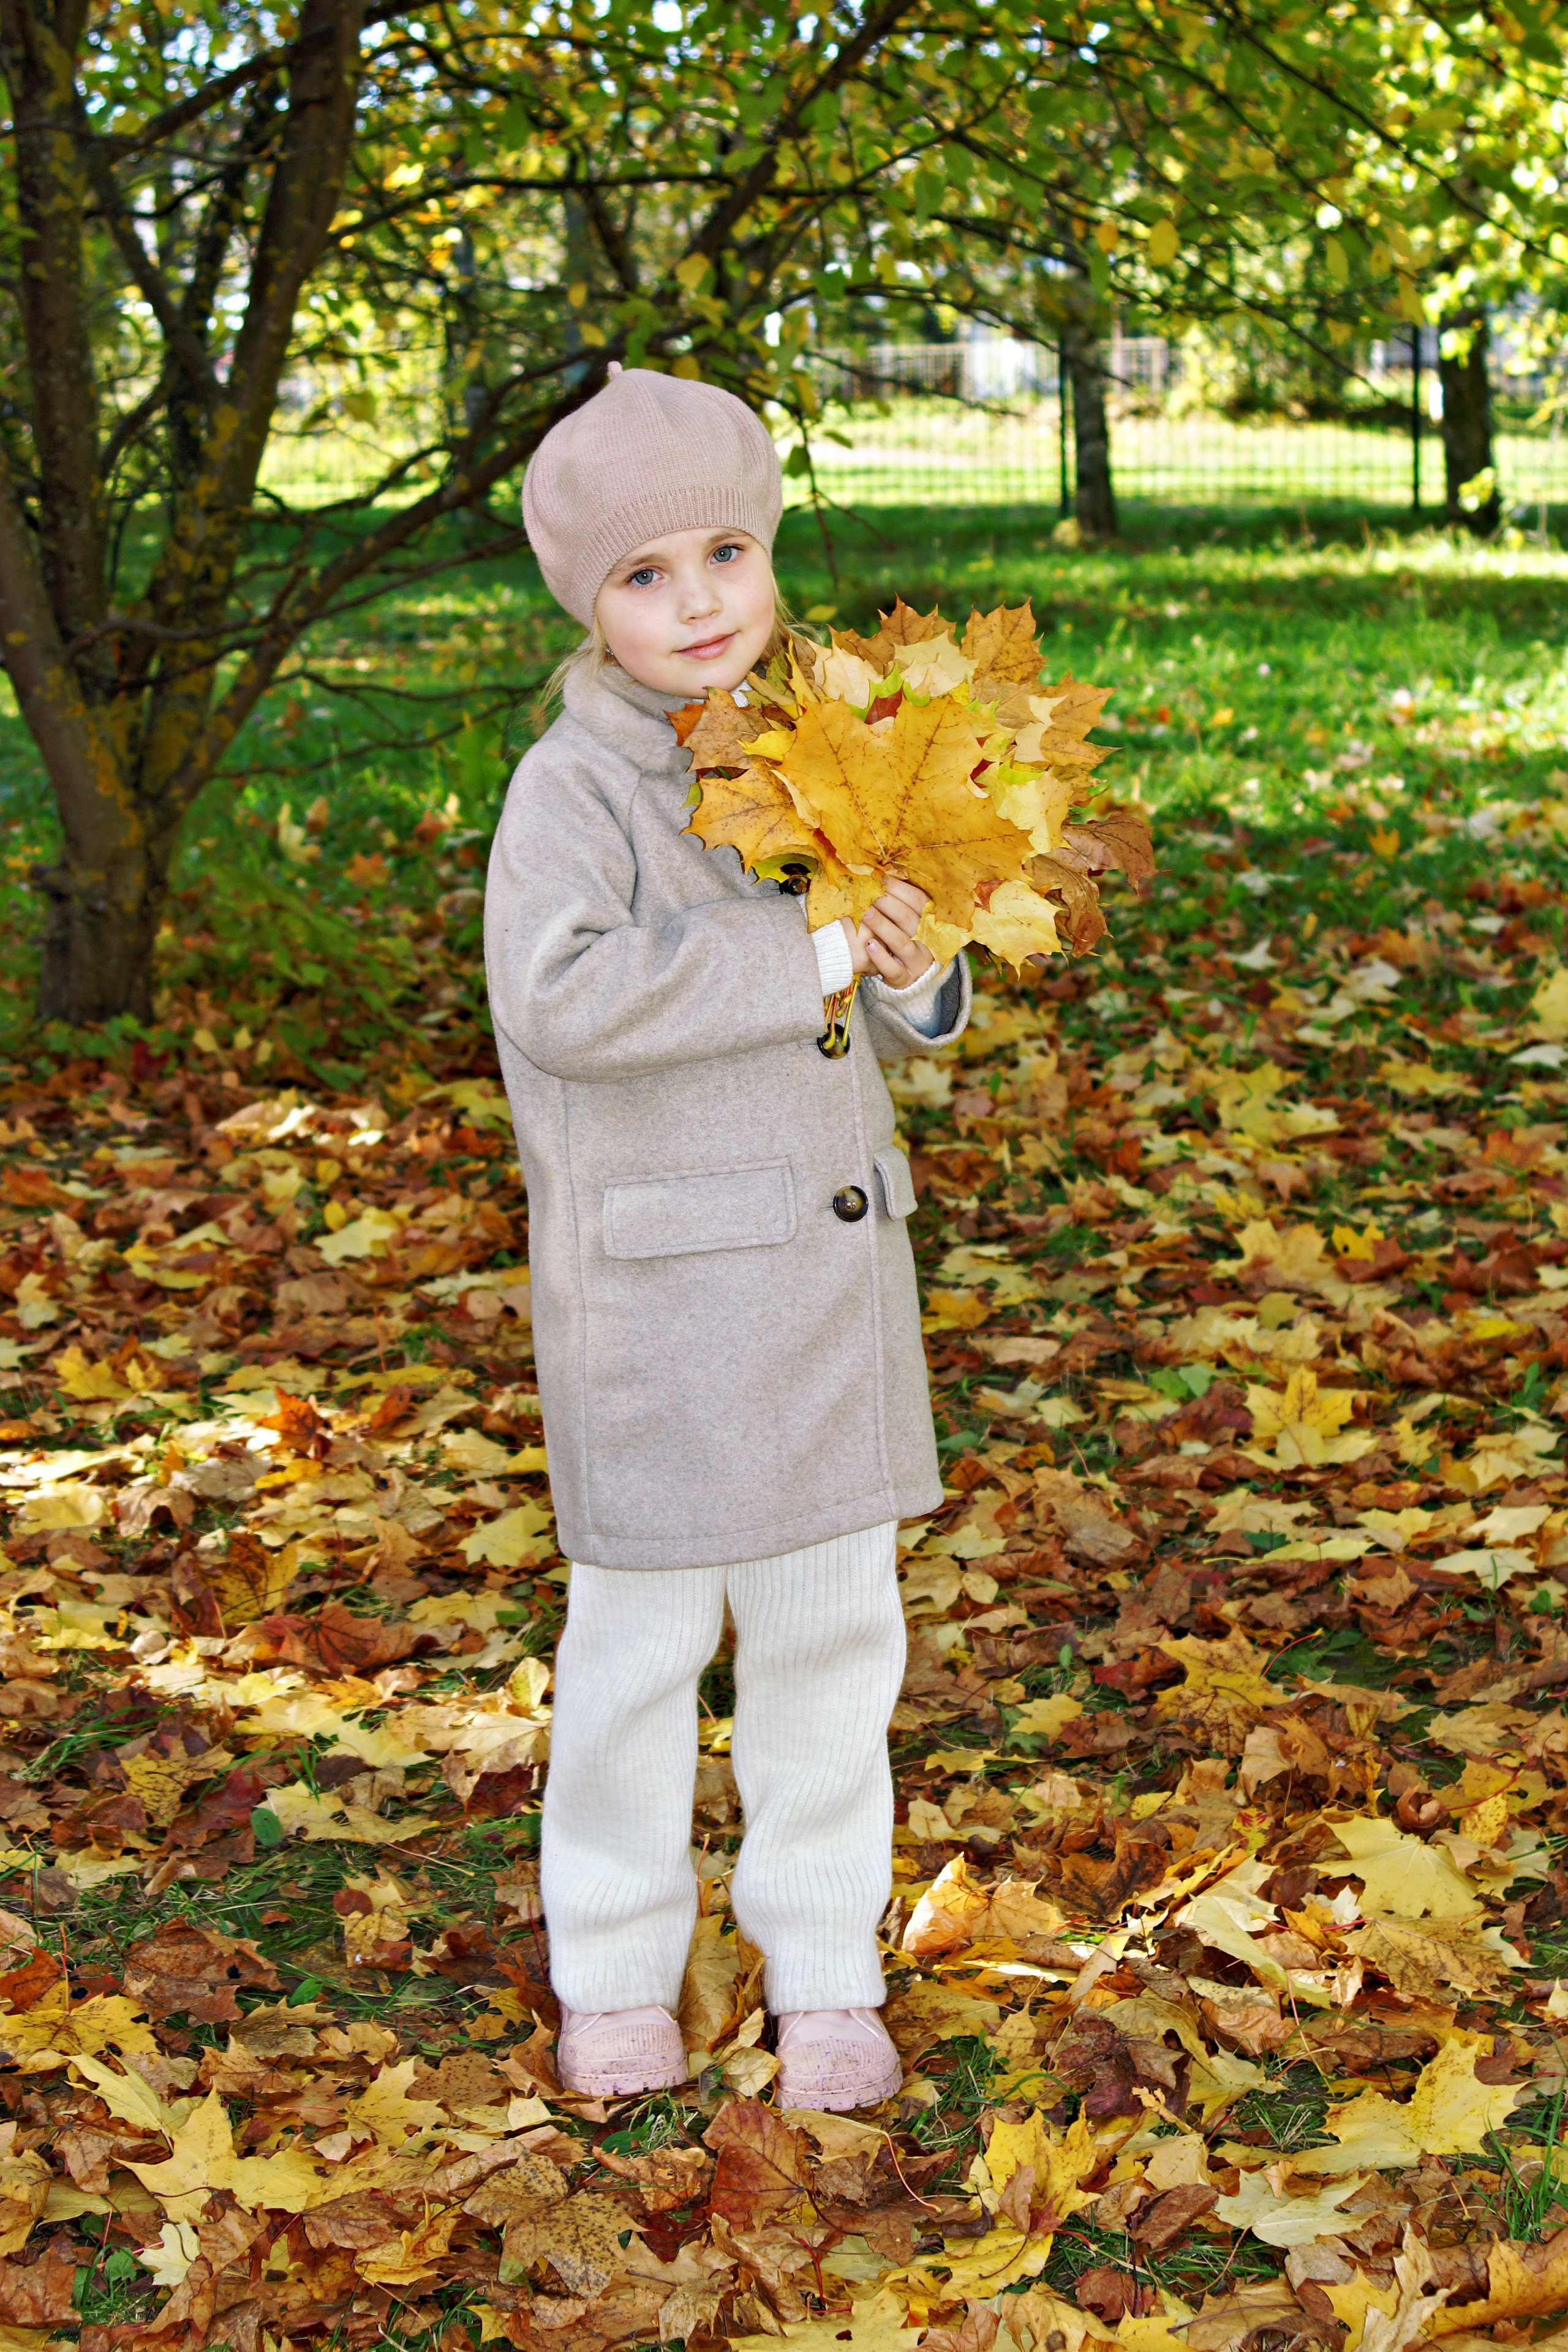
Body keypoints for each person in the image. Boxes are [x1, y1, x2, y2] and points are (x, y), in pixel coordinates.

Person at [484, 363, 970, 2112]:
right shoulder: (576, 789)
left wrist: (914, 969)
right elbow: (560, 997)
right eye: (644, 574)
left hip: (826, 1289)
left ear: (770, 555)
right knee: (636, 1658)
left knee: (836, 1645)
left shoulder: (823, 740)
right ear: (586, 600)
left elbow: (884, 971)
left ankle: (827, 1968)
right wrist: (807, 952)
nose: (696, 602)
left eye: (726, 553)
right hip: (663, 1310)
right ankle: (617, 1966)